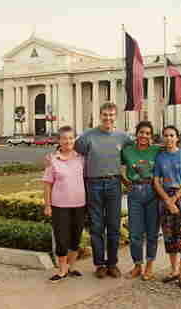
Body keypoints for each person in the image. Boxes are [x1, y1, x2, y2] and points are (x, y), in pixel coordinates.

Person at [75, 102, 132, 279]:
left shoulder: (123, 137)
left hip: (114, 184)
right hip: (93, 184)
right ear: (100, 115)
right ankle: (99, 264)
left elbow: (135, 154)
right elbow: (71, 150)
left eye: (111, 115)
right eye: (105, 115)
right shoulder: (87, 136)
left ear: (116, 117)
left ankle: (112, 263)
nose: (108, 118)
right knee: (97, 226)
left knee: (114, 226)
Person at [153, 125, 181, 288]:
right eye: (165, 135)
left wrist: (175, 198)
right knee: (169, 235)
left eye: (172, 135)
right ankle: (174, 271)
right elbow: (156, 181)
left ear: (177, 137)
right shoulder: (160, 157)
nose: (169, 138)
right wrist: (167, 200)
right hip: (165, 199)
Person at [42, 126, 86, 282]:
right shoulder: (52, 160)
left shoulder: (81, 158)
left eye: (70, 138)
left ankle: (71, 266)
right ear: (59, 141)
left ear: (74, 140)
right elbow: (47, 184)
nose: (67, 141)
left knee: (75, 238)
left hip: (79, 204)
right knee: (61, 239)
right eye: (64, 138)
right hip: (59, 206)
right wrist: (47, 205)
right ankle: (62, 270)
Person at [121, 121, 161, 281]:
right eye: (141, 132)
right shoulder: (127, 151)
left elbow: (172, 153)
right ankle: (138, 265)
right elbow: (113, 164)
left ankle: (149, 266)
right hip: (135, 193)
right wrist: (125, 182)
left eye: (147, 133)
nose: (144, 135)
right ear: (136, 133)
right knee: (135, 233)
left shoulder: (157, 150)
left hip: (152, 192)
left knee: (152, 233)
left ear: (151, 136)